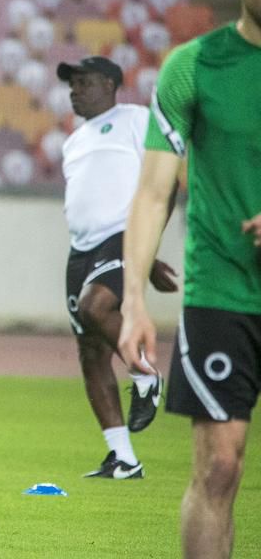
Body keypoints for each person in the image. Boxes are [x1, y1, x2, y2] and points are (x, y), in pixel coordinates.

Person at [118, 0, 261, 559]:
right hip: (221, 292)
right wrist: (133, 303)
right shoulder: (193, 67)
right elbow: (153, 193)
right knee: (220, 468)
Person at [56, 56, 178, 480]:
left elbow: (166, 184)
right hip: (81, 249)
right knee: (90, 354)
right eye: (71, 84)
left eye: (83, 81)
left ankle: (145, 375)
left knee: (96, 308)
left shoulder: (135, 119)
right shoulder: (72, 140)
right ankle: (123, 458)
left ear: (110, 84)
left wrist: (146, 249)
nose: (74, 89)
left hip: (122, 235)